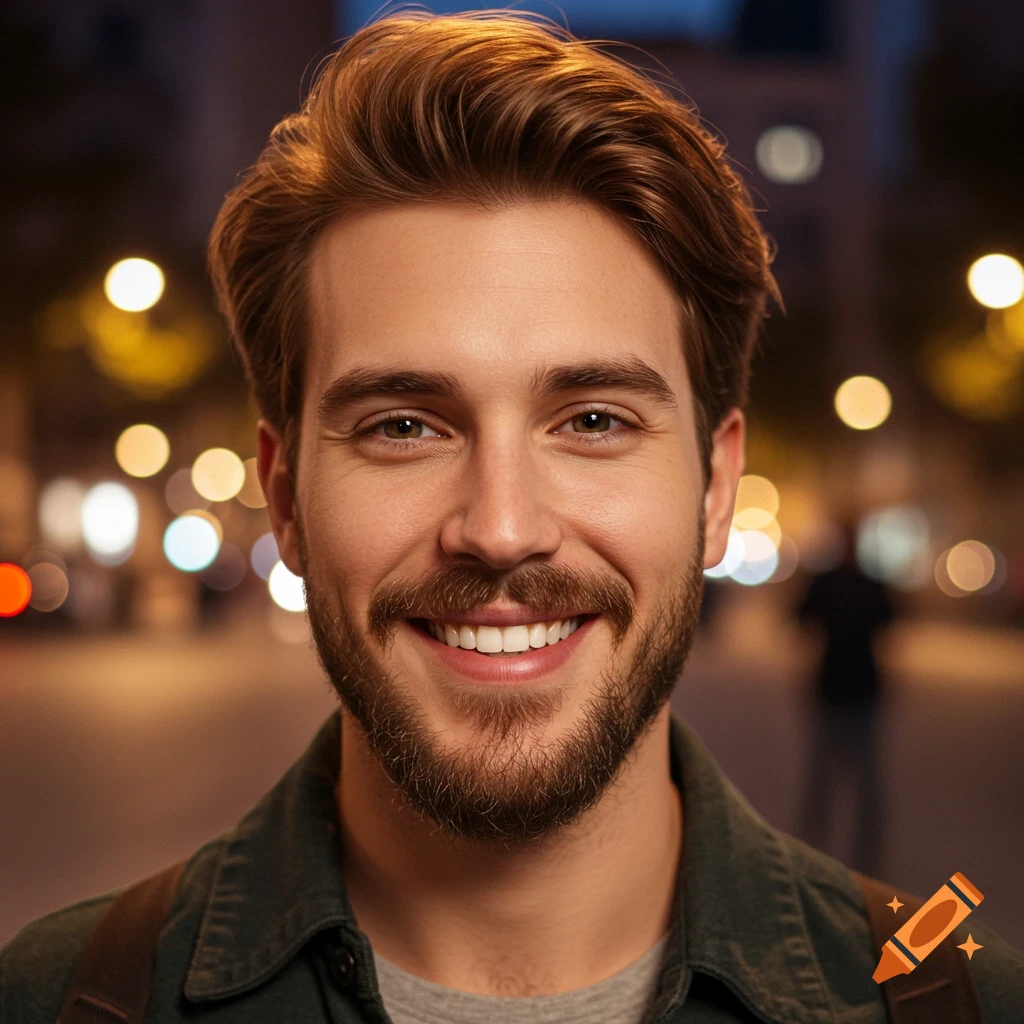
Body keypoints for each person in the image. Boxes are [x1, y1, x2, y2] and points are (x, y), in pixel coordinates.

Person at [2, 10, 1021, 1023]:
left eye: (590, 419)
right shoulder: (56, 999)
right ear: (286, 496)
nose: (499, 527)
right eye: (403, 425)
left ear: (715, 490)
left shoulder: (963, 1003)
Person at [797, 521, 894, 877]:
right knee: (836, 776)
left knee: (838, 776)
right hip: (847, 685)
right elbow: (890, 623)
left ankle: (827, 848)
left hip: (845, 684)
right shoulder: (867, 583)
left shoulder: (831, 582)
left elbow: (802, 619)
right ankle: (850, 851)